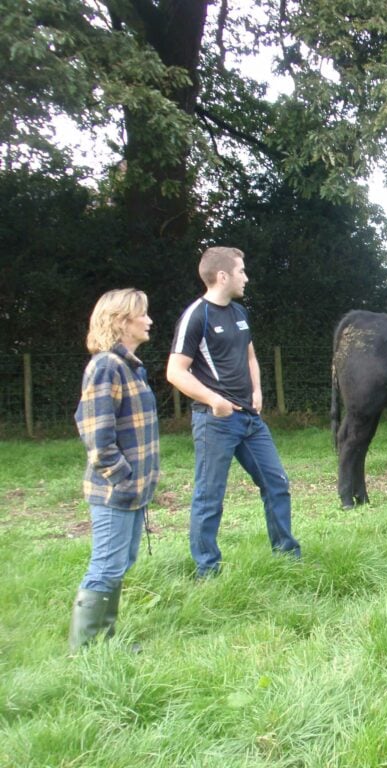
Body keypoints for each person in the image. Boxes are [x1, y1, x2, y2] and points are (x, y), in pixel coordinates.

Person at [167, 246, 300, 578]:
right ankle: (207, 570)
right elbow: (175, 372)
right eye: (241, 271)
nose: (246, 277)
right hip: (215, 421)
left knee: (277, 483)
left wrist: (257, 390)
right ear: (223, 276)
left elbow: (250, 356)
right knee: (209, 497)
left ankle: (287, 557)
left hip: (250, 419)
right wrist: (215, 400)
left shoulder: (240, 312)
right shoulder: (197, 316)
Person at [70, 288, 159, 651]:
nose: (149, 320)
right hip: (115, 490)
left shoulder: (129, 367)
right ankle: (86, 651)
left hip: (132, 490)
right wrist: (122, 478)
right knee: (106, 566)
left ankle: (103, 642)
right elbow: (96, 434)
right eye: (143, 314)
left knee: (121, 562)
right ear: (122, 321)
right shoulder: (106, 367)